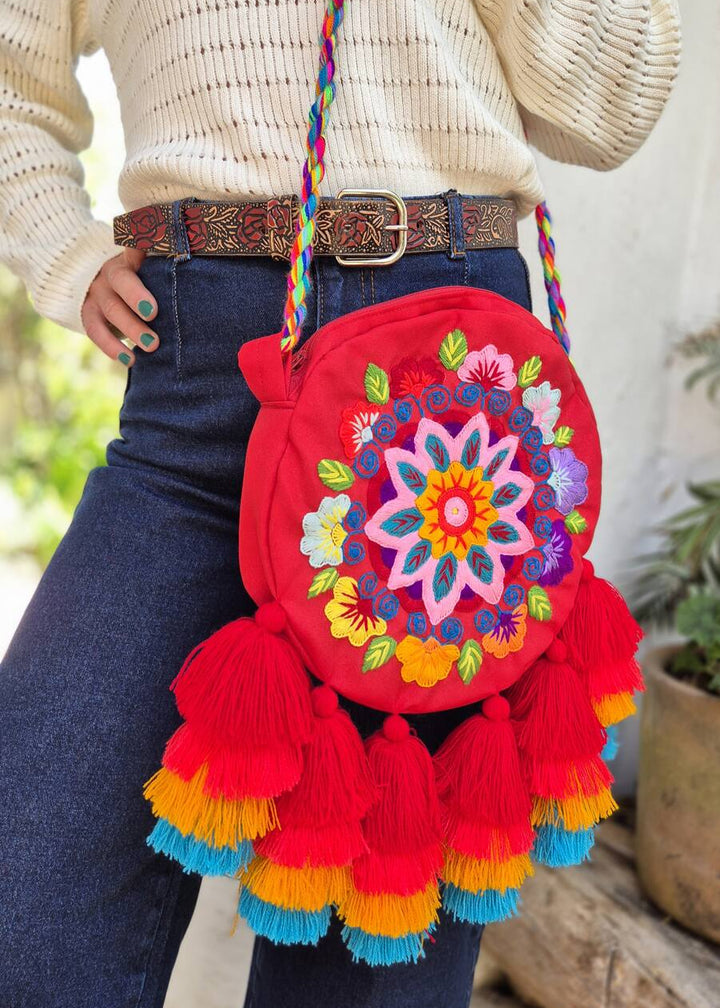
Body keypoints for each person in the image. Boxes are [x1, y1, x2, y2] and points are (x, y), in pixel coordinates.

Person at [0, 2, 680, 1007]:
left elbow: (613, 103)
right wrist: (59, 243)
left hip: (450, 382)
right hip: (198, 366)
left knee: (377, 938)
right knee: (34, 873)